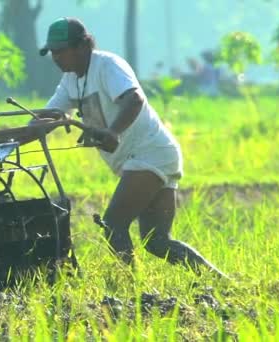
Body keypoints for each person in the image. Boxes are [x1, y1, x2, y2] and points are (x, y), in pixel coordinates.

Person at [38, 17, 226, 277]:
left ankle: (132, 290)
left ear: (82, 46)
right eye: (52, 52)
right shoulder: (71, 80)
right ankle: (219, 281)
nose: (55, 58)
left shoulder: (107, 66)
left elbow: (133, 98)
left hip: (150, 154)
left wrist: (114, 132)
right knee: (157, 241)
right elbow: (46, 118)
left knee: (113, 225)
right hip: (151, 157)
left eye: (60, 51)